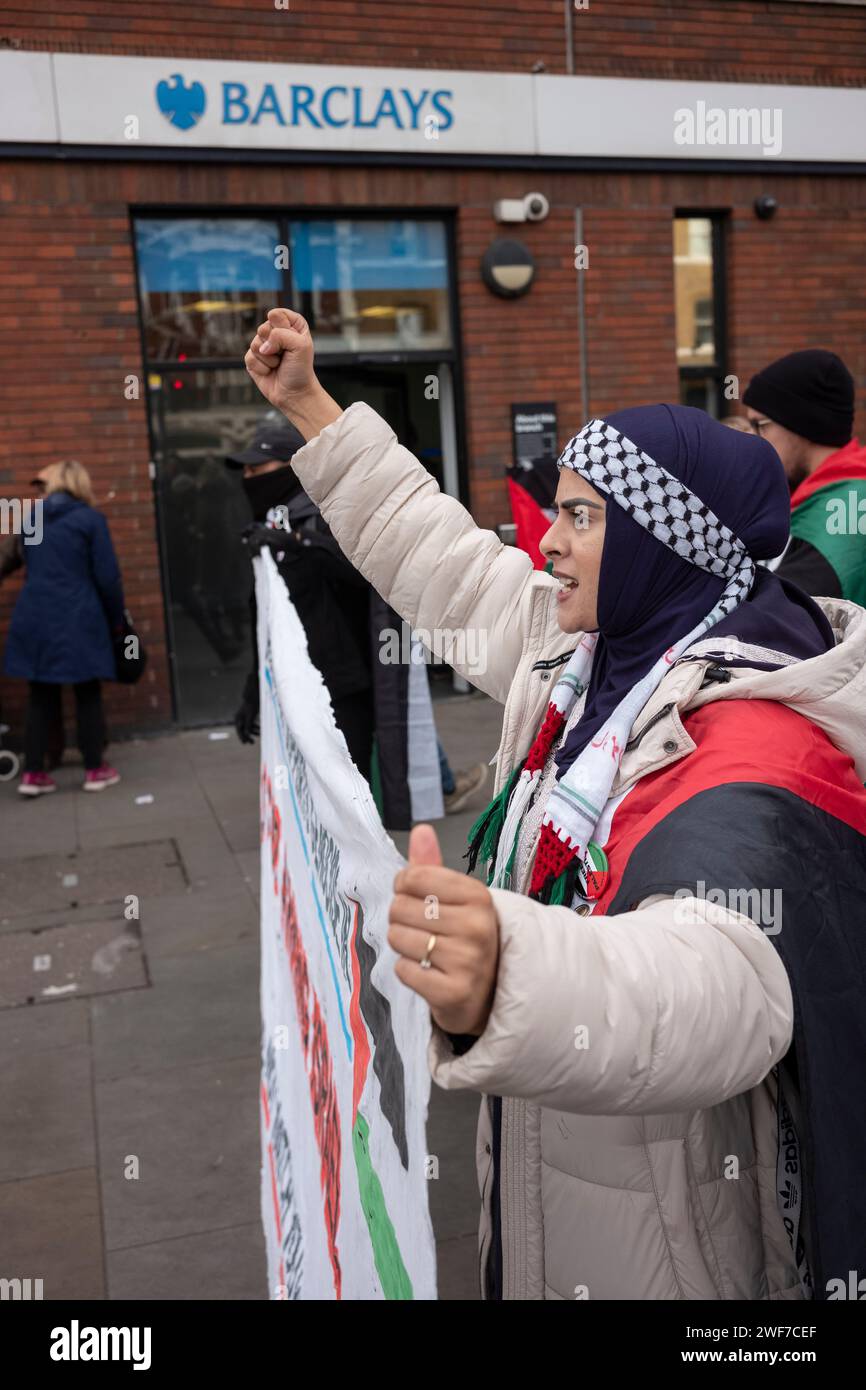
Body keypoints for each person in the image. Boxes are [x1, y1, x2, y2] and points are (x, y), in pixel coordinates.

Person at [244, 307, 866, 1302]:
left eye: (580, 517)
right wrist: (312, 406)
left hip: (674, 1242)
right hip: (551, 1170)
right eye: (558, 512)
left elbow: (713, 992)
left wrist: (512, 969)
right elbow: (437, 558)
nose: (547, 543)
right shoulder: (581, 653)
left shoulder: (756, 739)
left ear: (667, 541)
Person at [3, 460, 124, 795]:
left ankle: (33, 775)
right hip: (79, 615)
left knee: (40, 695)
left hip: (34, 615)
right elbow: (107, 577)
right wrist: (117, 622)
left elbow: (18, 558)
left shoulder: (32, 519)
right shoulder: (90, 520)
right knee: (87, 693)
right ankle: (94, 769)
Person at [743, 349, 866, 603]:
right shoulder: (818, 493)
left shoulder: (848, 505)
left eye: (760, 425)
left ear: (801, 422)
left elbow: (777, 612)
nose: (753, 438)